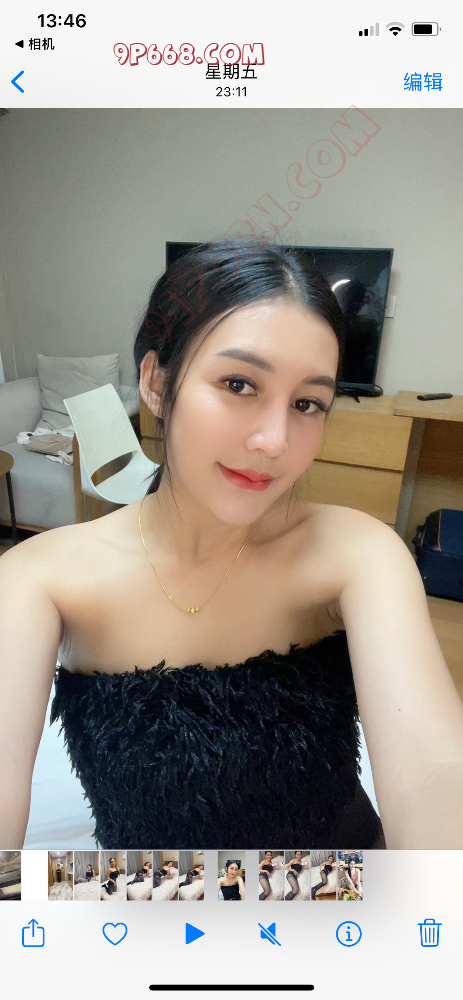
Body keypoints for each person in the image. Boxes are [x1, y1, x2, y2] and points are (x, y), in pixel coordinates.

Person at [2, 239, 463, 850]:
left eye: (307, 403)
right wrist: (59, 899)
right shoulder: (38, 578)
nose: (275, 440)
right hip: (146, 898)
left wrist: (434, 886)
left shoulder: (358, 553)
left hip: (340, 891)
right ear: (157, 383)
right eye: (239, 383)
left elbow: (434, 774)